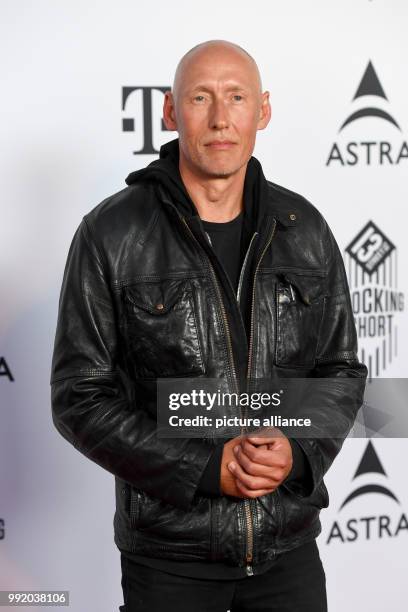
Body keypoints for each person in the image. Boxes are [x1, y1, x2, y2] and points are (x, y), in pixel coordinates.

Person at [50, 40, 367, 611]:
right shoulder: (111, 234)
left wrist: (297, 452)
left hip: (288, 553)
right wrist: (201, 468)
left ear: (262, 111)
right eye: (200, 98)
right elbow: (79, 396)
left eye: (236, 97)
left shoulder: (306, 229)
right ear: (170, 112)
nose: (221, 118)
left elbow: (340, 369)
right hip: (170, 561)